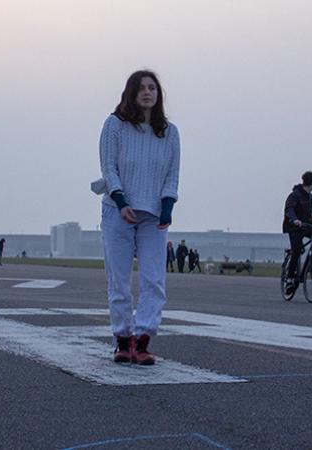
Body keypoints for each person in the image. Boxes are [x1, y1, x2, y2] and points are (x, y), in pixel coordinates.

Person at [99, 69, 180, 365]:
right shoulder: (115, 126)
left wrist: (168, 206)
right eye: (142, 88)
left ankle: (143, 340)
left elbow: (172, 174)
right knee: (119, 280)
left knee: (154, 280)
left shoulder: (169, 133)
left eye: (152, 88)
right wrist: (120, 201)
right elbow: (109, 169)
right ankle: (123, 339)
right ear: (131, 93)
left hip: (153, 216)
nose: (147, 92)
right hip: (118, 211)